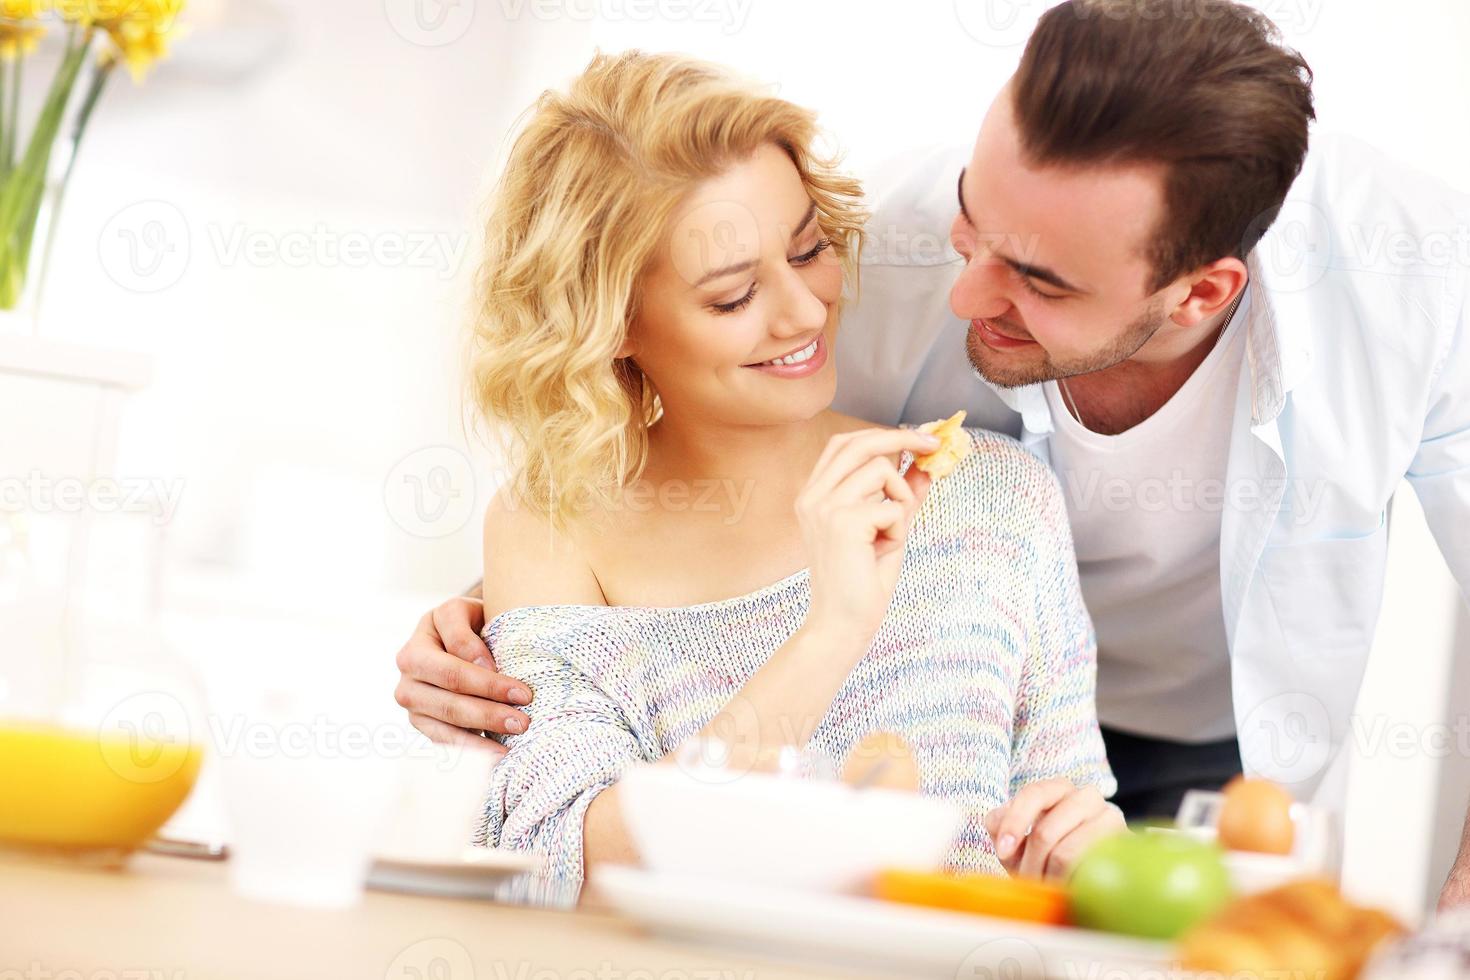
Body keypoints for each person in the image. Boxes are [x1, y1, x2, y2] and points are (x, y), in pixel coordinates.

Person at [397, 1, 1470, 907]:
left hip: (1209, 720)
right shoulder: (891, 248)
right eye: (972, 223)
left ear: (1200, 294)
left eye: (1039, 282)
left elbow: (1049, 853)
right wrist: (509, 611)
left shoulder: (1415, 286)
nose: (957, 294)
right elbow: (665, 493)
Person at [439, 50, 1122, 903]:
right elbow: (562, 868)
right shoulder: (555, 524)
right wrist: (831, 628)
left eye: (807, 250)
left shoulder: (995, 496)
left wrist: (1084, 846)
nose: (803, 313)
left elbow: (1074, 833)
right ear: (611, 322)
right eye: (732, 298)